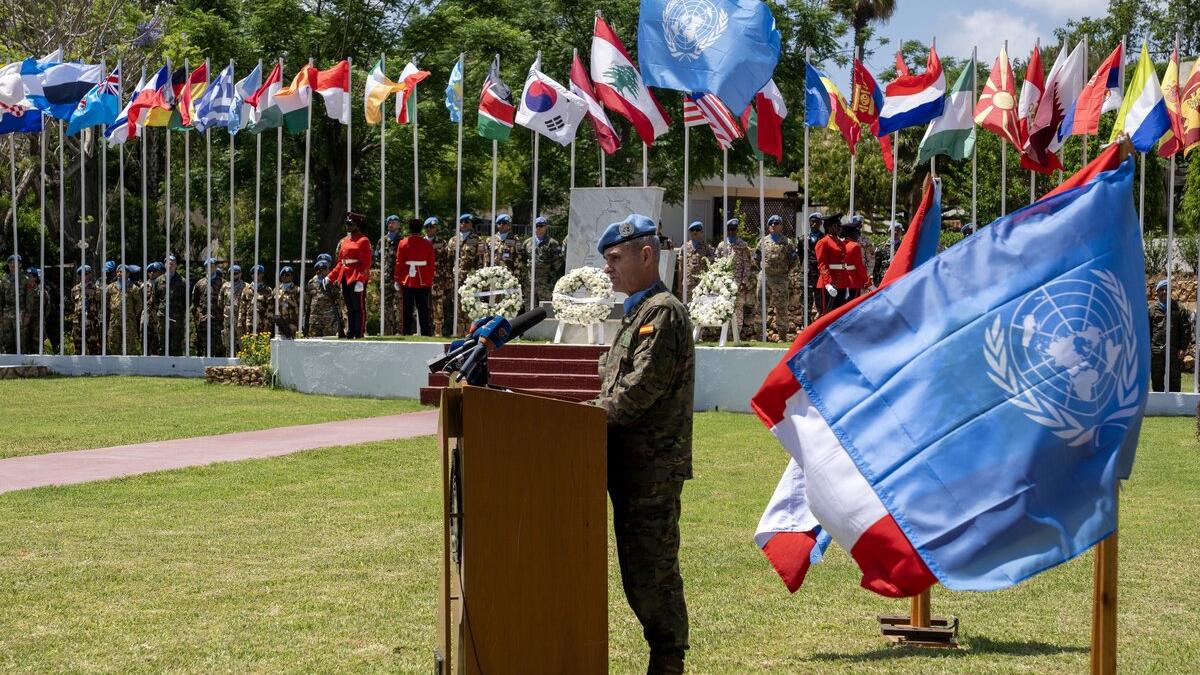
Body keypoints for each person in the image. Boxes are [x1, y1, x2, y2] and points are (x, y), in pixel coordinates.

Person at [592, 214, 693, 675]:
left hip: (652, 467)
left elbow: (638, 391)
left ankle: (669, 660)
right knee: (637, 571)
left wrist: (579, 417)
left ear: (645, 254)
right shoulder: (638, 313)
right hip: (629, 463)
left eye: (615, 258)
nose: (608, 268)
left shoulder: (663, 312)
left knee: (653, 572)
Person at [330, 211, 373, 339]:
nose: (348, 226)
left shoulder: (363, 240)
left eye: (350, 223)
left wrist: (361, 280)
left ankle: (359, 332)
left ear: (357, 225)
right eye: (347, 223)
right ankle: (351, 332)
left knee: (358, 306)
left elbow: (366, 263)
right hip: (345, 275)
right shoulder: (346, 241)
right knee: (349, 306)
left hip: (356, 275)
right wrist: (330, 277)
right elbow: (341, 262)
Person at [755, 215, 797, 341]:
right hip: (765, 278)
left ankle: (782, 336)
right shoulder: (762, 241)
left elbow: (794, 261)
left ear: (781, 226)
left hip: (780, 279)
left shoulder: (787, 242)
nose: (774, 225)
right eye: (771, 223)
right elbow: (757, 259)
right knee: (761, 306)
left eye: (777, 223)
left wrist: (784, 272)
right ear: (768, 226)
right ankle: (760, 335)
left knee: (781, 307)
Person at [715, 217, 757, 341]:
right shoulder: (722, 245)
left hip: (738, 283)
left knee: (738, 308)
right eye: (730, 229)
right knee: (724, 307)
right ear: (726, 230)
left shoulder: (743, 245)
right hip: (724, 284)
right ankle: (725, 335)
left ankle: (736, 334)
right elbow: (717, 263)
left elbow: (747, 265)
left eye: (734, 229)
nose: (732, 231)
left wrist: (744, 282)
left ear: (737, 230)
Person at [447, 213, 488, 335]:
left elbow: (481, 261)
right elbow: (449, 261)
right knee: (458, 305)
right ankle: (459, 332)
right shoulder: (453, 240)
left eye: (467, 222)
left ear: (471, 224)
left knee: (470, 305)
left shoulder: (477, 240)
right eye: (462, 222)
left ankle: (470, 332)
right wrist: (449, 276)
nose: (464, 224)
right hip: (456, 278)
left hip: (470, 279)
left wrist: (479, 278)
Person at [394, 217, 436, 336]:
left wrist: (397, 278)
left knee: (407, 307)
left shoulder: (403, 242)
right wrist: (429, 276)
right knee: (423, 307)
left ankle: (406, 331)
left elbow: (399, 262)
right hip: (423, 277)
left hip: (407, 277)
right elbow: (431, 263)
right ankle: (425, 332)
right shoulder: (427, 243)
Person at [1150, 279, 1193, 393]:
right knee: (1156, 378)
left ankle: (1175, 405)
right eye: (1161, 290)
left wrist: (1183, 348)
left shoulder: (1179, 309)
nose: (1164, 292)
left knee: (1174, 379)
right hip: (1156, 351)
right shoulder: (1152, 309)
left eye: (1166, 289)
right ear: (1157, 292)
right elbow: (1147, 330)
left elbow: (1185, 330)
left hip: (1174, 352)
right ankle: (1159, 404)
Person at [814, 216, 857, 315]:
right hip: (829, 283)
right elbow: (822, 264)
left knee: (838, 314)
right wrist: (828, 283)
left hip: (840, 282)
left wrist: (846, 283)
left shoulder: (839, 242)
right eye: (838, 225)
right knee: (827, 314)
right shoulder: (823, 242)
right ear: (830, 227)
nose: (840, 228)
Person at [524, 216, 564, 307]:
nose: (538, 228)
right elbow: (523, 259)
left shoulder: (552, 243)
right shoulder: (527, 242)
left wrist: (549, 272)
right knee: (529, 306)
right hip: (530, 281)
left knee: (546, 307)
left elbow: (557, 262)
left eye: (541, 226)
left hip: (545, 281)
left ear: (546, 227)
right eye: (536, 225)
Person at [424, 217, 455, 337]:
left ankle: (438, 330)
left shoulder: (442, 242)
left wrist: (447, 278)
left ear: (436, 228)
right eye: (428, 227)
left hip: (438, 279)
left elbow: (447, 261)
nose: (430, 229)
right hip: (423, 279)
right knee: (424, 304)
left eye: (432, 227)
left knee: (438, 304)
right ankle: (425, 329)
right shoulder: (421, 242)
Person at [106, 264, 143, 355]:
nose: (120, 273)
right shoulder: (110, 287)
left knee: (130, 343)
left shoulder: (133, 288)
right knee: (114, 342)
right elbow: (106, 302)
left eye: (122, 272)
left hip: (129, 320)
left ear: (128, 274)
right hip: (114, 320)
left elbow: (139, 303)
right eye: (118, 272)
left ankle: (130, 366)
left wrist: (133, 313)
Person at [192, 257, 224, 356]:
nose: (210, 268)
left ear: (215, 267)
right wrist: (199, 316)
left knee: (219, 345)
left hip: (218, 320)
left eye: (212, 266)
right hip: (204, 320)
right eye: (207, 267)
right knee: (204, 345)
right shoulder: (199, 283)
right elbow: (195, 303)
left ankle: (217, 368)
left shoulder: (223, 283)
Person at [156, 255, 187, 356]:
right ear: (165, 265)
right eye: (168, 263)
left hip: (177, 316)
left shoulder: (182, 281)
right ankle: (162, 367)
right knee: (162, 341)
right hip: (163, 316)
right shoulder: (158, 281)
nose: (170, 265)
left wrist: (180, 311)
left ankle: (177, 366)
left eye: (172, 263)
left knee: (176, 342)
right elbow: (156, 298)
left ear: (176, 265)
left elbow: (186, 301)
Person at [379, 214, 404, 335]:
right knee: (386, 305)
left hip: (399, 277)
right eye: (389, 222)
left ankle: (400, 331)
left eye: (394, 222)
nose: (391, 224)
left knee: (399, 304)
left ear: (399, 224)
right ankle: (387, 331)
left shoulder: (403, 240)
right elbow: (377, 258)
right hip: (386, 278)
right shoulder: (382, 241)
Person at [70, 264, 103, 355]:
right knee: (78, 345)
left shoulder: (96, 289)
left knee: (93, 346)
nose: (84, 276)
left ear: (90, 275)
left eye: (86, 274)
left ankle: (94, 368)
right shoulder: (74, 289)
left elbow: (99, 301)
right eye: (81, 274)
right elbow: (74, 302)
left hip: (91, 321)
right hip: (77, 321)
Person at [304, 260, 340, 338]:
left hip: (329, 320)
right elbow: (307, 302)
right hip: (314, 320)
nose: (320, 271)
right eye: (318, 269)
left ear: (328, 270)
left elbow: (338, 300)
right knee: (313, 343)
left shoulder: (334, 282)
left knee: (330, 344)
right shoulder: (311, 283)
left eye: (323, 269)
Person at [679, 221, 713, 301]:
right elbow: (681, 266)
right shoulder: (684, 247)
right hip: (688, 284)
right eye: (692, 230)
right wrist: (679, 286)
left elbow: (711, 266)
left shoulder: (707, 248)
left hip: (701, 284)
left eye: (697, 230)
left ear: (701, 232)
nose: (695, 232)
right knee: (686, 308)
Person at [839, 216, 871, 300]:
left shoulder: (841, 244)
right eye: (857, 232)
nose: (858, 234)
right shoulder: (854, 246)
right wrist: (867, 282)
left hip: (842, 280)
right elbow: (859, 266)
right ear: (852, 233)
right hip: (853, 280)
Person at [238, 265, 274, 339]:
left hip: (262, 323)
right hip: (249, 323)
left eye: (259, 273)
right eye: (253, 273)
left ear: (262, 274)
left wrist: (267, 323)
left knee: (262, 345)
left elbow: (270, 308)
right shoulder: (246, 289)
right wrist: (240, 322)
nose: (256, 275)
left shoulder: (267, 290)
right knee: (249, 345)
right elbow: (242, 307)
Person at [21, 266, 50, 354]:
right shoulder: (22, 290)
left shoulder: (41, 291)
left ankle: (37, 363)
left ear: (35, 278)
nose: (28, 278)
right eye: (27, 276)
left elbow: (48, 306)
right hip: (25, 320)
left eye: (30, 276)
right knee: (24, 342)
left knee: (37, 342)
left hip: (37, 320)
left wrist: (42, 319)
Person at [220, 265, 246, 352]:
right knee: (228, 342)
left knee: (242, 341)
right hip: (228, 319)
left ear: (240, 274)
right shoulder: (225, 286)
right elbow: (220, 302)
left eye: (236, 273)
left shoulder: (246, 286)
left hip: (240, 319)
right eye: (232, 273)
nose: (234, 275)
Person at [141, 262, 164, 355]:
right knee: (145, 338)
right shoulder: (144, 286)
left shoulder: (163, 284)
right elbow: (140, 301)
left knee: (158, 339)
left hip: (159, 315)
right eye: (149, 271)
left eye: (154, 271)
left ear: (160, 272)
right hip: (147, 315)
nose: (151, 273)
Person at [273, 266, 301, 338]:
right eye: (283, 275)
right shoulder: (276, 290)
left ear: (292, 276)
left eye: (287, 275)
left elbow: (302, 307)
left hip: (293, 322)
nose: (284, 277)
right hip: (280, 322)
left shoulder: (297, 290)